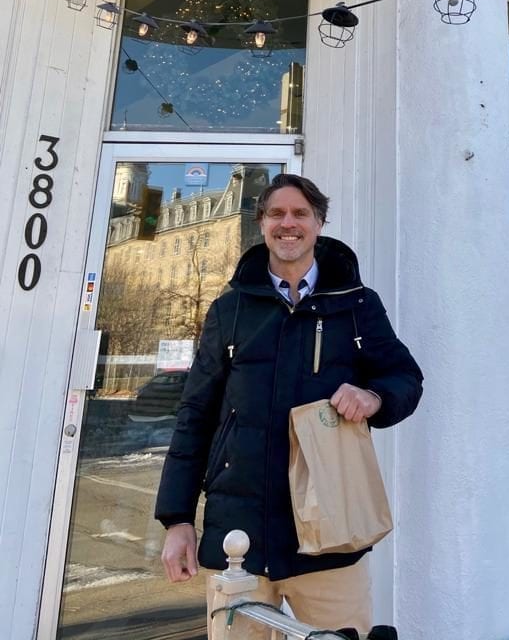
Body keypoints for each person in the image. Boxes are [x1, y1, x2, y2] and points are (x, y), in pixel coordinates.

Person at [155, 173, 423, 637]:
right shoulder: (230, 310)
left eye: (301, 213)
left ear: (319, 223)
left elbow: (405, 378)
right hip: (240, 538)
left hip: (330, 534)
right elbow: (195, 416)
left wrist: (373, 397)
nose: (288, 223)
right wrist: (177, 519)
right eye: (277, 213)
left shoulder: (357, 304)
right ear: (261, 224)